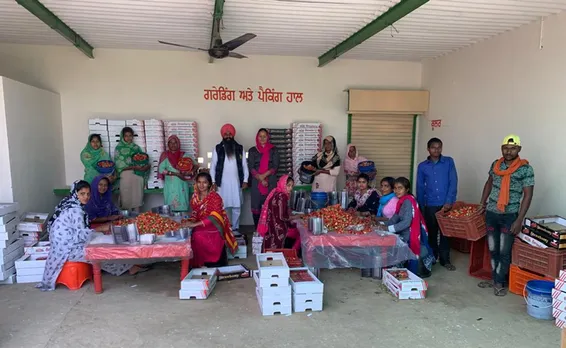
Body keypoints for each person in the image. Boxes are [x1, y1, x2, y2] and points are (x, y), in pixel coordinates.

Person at [36, 181, 147, 291]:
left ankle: (128, 266)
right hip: (67, 250)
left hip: (63, 246)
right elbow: (82, 235)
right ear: (75, 193)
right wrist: (100, 229)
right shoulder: (75, 210)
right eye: (82, 194)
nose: (86, 197)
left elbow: (79, 232)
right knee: (99, 253)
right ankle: (128, 267)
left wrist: (99, 231)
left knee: (100, 241)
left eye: (88, 194)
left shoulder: (68, 204)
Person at [478, 134, 534, 297]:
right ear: (502, 148)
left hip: (510, 215)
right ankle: (496, 277)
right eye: (506, 148)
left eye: (513, 148)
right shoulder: (496, 165)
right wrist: (482, 203)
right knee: (492, 248)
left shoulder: (525, 169)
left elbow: (528, 195)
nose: (509, 151)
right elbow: (489, 183)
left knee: (504, 250)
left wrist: (519, 219)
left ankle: (499, 281)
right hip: (492, 213)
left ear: (519, 149)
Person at [378, 177, 435, 278]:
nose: (397, 191)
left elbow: (406, 222)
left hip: (410, 234)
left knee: (391, 245)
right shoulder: (401, 201)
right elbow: (395, 218)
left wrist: (388, 229)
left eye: (400, 188)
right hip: (405, 232)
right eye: (395, 188)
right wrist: (382, 224)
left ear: (407, 189)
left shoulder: (408, 201)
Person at [416, 137, 458, 271]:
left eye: (439, 147)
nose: (437, 150)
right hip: (430, 204)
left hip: (445, 204)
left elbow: (453, 182)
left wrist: (449, 201)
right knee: (432, 232)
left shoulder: (448, 162)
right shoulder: (422, 166)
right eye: (433, 147)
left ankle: (445, 260)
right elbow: (420, 187)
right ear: (428, 149)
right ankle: (433, 257)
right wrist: (421, 206)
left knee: (446, 233)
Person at [183, 172, 238, 267]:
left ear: (209, 184)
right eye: (199, 182)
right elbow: (195, 213)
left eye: (204, 182)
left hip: (215, 225)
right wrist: (190, 221)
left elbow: (214, 217)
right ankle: (198, 263)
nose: (201, 185)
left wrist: (194, 225)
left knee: (198, 234)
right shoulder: (195, 197)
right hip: (200, 224)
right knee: (191, 234)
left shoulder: (215, 197)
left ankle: (211, 261)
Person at [210, 124, 249, 235]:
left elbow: (244, 165)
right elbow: (213, 166)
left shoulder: (240, 148)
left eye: (230, 133)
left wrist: (245, 180)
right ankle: (226, 227)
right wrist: (213, 181)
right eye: (225, 134)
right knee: (224, 206)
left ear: (233, 134)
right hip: (222, 183)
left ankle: (235, 228)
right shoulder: (217, 148)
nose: (228, 136)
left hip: (237, 182)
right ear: (222, 135)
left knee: (237, 206)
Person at [257, 175, 301, 251]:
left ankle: (268, 257)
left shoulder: (275, 193)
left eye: (292, 186)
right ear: (283, 184)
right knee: (297, 233)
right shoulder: (282, 196)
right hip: (279, 229)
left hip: (271, 226)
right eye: (288, 185)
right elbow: (282, 217)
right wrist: (296, 216)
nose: (290, 188)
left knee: (270, 243)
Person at [248, 128, 280, 227]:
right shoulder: (252, 150)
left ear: (268, 137)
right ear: (257, 137)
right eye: (260, 136)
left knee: (270, 205)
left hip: (270, 180)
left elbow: (275, 166)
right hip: (256, 181)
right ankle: (257, 230)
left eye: (264, 136)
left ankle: (270, 230)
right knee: (256, 206)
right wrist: (260, 178)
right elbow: (251, 167)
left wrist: (264, 176)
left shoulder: (273, 150)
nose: (262, 138)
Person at [114, 127, 149, 211]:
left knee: (137, 197)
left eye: (130, 135)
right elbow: (119, 166)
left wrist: (146, 166)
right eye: (126, 136)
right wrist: (133, 167)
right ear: (122, 136)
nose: (128, 138)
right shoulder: (118, 149)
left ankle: (137, 220)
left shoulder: (136, 148)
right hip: (125, 176)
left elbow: (142, 160)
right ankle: (127, 220)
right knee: (126, 198)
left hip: (137, 176)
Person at [158, 135, 196, 212]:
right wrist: (176, 174)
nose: (173, 145)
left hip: (181, 184)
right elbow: (161, 170)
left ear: (178, 144)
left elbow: (196, 165)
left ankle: (183, 222)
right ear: (168, 144)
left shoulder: (184, 155)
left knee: (182, 205)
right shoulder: (165, 155)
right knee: (170, 209)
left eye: (175, 143)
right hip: (170, 185)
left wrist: (191, 171)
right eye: (171, 143)